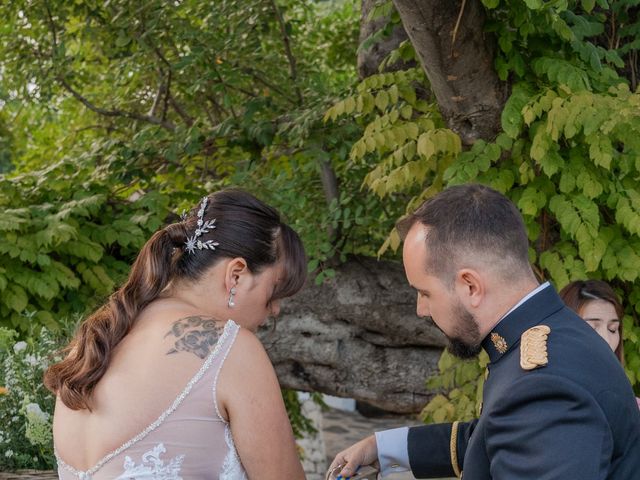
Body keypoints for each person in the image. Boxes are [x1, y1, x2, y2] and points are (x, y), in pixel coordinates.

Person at [327, 184, 640, 479]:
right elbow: (490, 437)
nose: (421, 310)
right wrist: (382, 449)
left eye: (425, 292)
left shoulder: (543, 386)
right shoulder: (551, 336)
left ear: (470, 285)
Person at [45, 189, 307, 479]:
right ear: (236, 274)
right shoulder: (232, 351)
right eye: (273, 291)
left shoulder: (95, 341)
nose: (275, 310)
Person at [560, 279, 640, 409]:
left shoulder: (633, 409)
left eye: (612, 329)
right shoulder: (543, 401)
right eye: (592, 328)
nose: (607, 340)